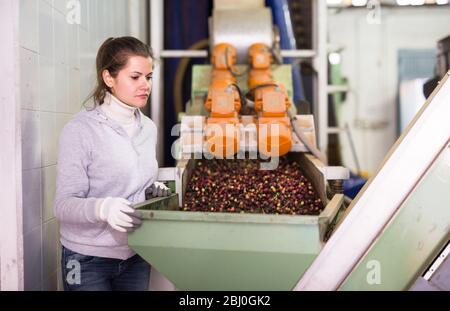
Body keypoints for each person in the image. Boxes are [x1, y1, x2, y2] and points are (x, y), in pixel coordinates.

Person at [54, 36, 171, 291]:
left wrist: (151, 192)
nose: (145, 85)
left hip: (137, 253)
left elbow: (133, 185)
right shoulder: (81, 130)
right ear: (108, 78)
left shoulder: (148, 128)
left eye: (148, 77)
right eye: (135, 77)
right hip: (87, 260)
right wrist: (103, 208)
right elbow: (63, 205)